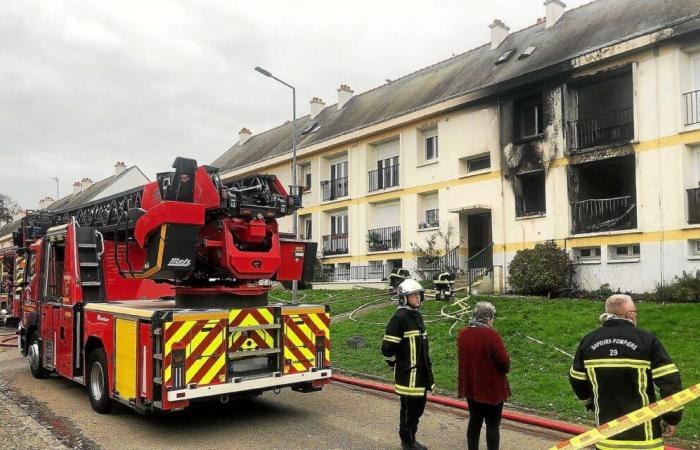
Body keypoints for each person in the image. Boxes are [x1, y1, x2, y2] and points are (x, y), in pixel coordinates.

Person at [569, 294, 683, 450]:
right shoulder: (647, 340)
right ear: (630, 314)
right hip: (645, 439)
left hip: (607, 438)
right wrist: (671, 418)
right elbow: (670, 382)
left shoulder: (589, 340)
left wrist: (590, 404)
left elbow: (576, 379)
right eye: (635, 311)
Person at [381, 278, 435, 450]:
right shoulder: (399, 318)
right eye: (413, 296)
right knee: (408, 412)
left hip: (421, 376)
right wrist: (397, 365)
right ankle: (407, 442)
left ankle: (411, 438)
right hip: (408, 377)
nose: (417, 298)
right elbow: (387, 348)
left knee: (418, 410)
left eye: (418, 295)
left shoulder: (416, 316)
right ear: (403, 298)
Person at [457, 301, 510, 450]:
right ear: (488, 318)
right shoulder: (491, 335)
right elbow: (504, 362)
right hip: (491, 389)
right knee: (493, 425)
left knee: (474, 421)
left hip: (471, 386)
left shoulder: (463, 334)